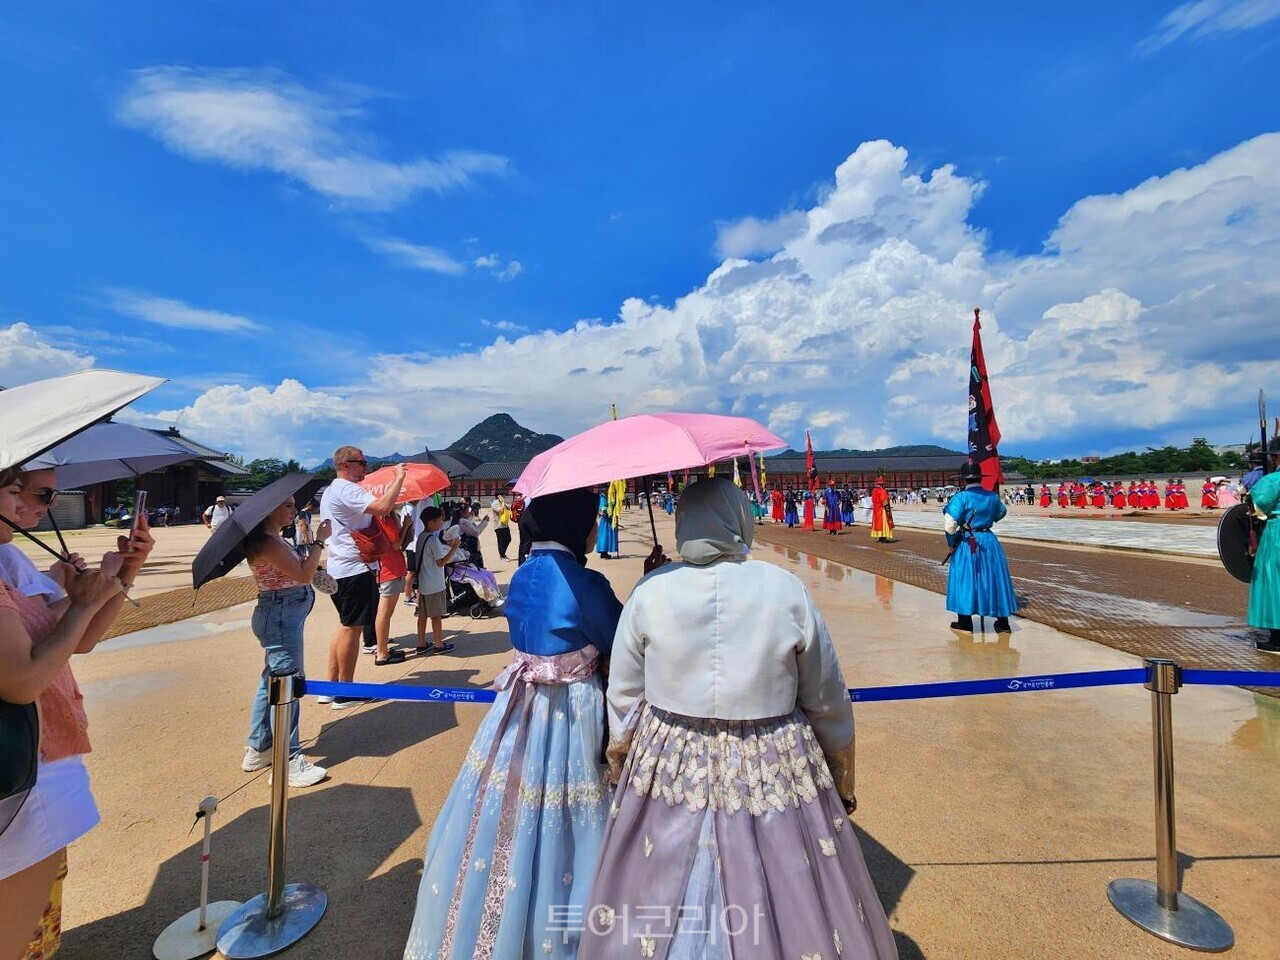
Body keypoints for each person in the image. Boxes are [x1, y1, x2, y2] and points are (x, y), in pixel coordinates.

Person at [580, 479, 896, 959]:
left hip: (670, 759)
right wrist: (839, 772)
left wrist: (623, 759)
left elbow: (624, 694)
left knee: (660, 885)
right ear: (739, 519)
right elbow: (826, 695)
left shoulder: (650, 592)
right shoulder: (785, 589)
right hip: (773, 757)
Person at [403, 488, 633, 959]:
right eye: (591, 521)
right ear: (575, 525)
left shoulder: (525, 571)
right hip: (571, 708)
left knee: (511, 802)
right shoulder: (586, 583)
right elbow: (622, 642)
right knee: (570, 807)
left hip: (520, 704)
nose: (595, 530)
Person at [0, 465, 154, 960]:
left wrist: (121, 573)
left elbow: (72, 641)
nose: (33, 506)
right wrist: (85, 602)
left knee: (41, 930)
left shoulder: (10, 556)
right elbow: (23, 680)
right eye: (22, 491)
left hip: (40, 764)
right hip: (24, 774)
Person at [240, 500, 331, 786]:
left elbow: (297, 571)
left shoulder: (273, 539)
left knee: (272, 681)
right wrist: (319, 542)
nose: (294, 510)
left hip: (280, 614)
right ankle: (288, 760)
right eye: (288, 506)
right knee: (287, 684)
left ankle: (260, 746)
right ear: (269, 509)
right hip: (280, 617)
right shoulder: (267, 542)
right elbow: (302, 574)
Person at [318, 447, 405, 709]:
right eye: (361, 463)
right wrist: (398, 478)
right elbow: (382, 507)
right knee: (351, 628)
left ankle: (330, 687)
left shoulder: (333, 489)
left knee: (346, 625)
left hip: (339, 567)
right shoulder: (347, 488)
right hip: (354, 568)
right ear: (345, 464)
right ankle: (346, 690)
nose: (365, 467)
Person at [943, 462, 1019, 633]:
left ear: (964, 481)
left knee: (966, 578)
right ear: (979, 478)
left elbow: (949, 525)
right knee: (994, 577)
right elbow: (1001, 512)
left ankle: (965, 621)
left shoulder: (961, 497)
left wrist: (951, 543)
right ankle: (1003, 623)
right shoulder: (992, 496)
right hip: (989, 540)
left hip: (968, 541)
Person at [408, 506, 458, 656]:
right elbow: (441, 562)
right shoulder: (433, 540)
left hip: (423, 583)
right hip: (434, 583)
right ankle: (438, 644)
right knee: (436, 616)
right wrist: (454, 548)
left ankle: (421, 643)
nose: (441, 522)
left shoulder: (421, 537)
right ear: (431, 522)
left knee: (422, 615)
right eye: (439, 520)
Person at [1248, 439, 1280, 653]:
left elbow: (1259, 505)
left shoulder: (1273, 480)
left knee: (1274, 581)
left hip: (1277, 532)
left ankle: (1277, 638)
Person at [871, 476, 895, 543]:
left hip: (876, 510)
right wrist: (888, 509)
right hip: (882, 510)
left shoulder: (874, 491)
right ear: (882, 484)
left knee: (878, 523)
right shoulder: (882, 491)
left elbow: (872, 500)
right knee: (884, 523)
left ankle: (880, 537)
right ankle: (884, 537)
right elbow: (884, 501)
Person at [490, 493, 512, 561]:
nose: (504, 497)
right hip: (498, 526)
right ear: (498, 496)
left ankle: (503, 554)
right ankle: (502, 556)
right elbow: (500, 510)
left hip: (505, 524)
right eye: (503, 495)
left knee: (508, 539)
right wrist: (502, 502)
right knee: (501, 541)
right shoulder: (494, 503)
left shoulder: (502, 503)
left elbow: (509, 507)